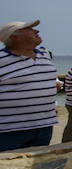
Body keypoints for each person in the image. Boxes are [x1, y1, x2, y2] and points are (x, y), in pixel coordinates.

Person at [0, 20, 59, 150]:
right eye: (30, 29)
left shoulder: (44, 56)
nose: (36, 31)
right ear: (14, 36)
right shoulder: (2, 60)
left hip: (44, 127)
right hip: (9, 131)